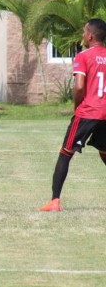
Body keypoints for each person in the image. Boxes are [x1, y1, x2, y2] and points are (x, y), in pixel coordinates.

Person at [40, 18, 106, 212]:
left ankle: (54, 201)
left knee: (65, 153)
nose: (82, 35)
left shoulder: (83, 56)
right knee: (104, 153)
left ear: (91, 36)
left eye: (84, 32)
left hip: (88, 111)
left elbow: (79, 86)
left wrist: (77, 107)